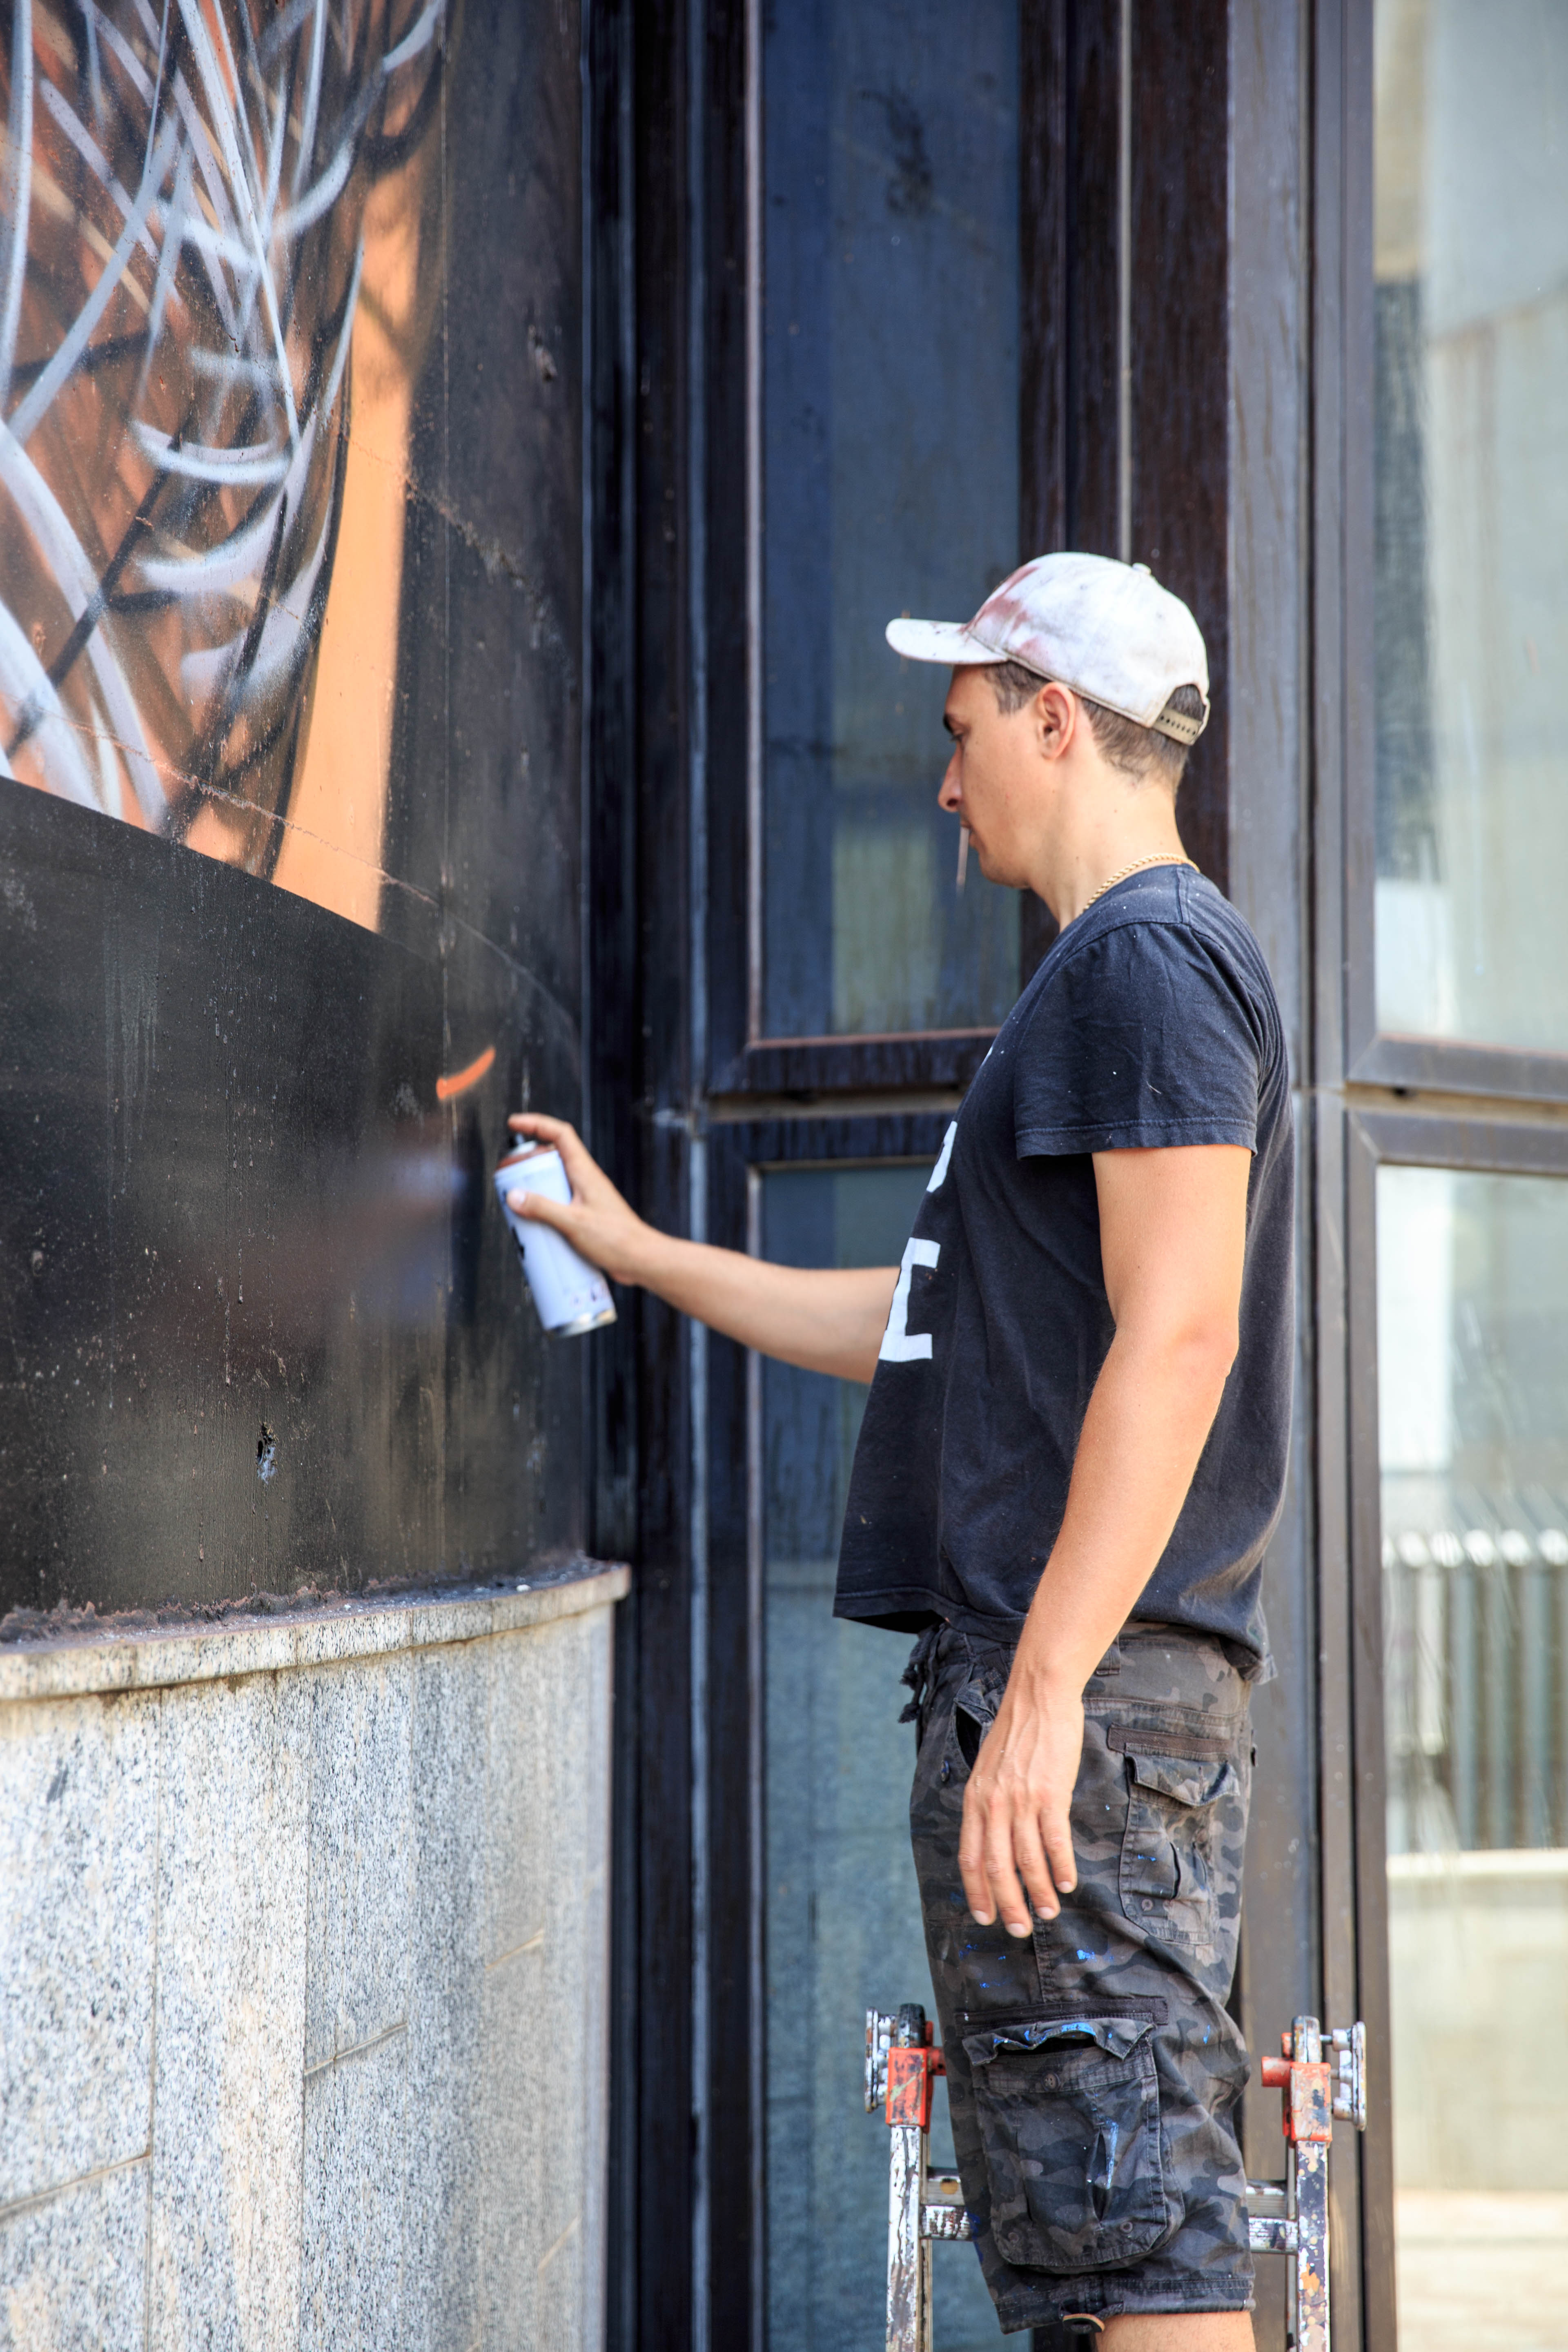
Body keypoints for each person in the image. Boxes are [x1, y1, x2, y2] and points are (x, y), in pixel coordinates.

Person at [509, 553, 1292, 2348]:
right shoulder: (1108, 980)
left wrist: (1045, 1691)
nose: (944, 785)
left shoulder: (1147, 963)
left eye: (962, 733)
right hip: (1076, 1709)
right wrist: (642, 1253)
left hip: (1085, 1710)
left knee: (1148, 2272)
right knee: (1104, 2267)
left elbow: (1184, 1336)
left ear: (1053, 719)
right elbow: (923, 1321)